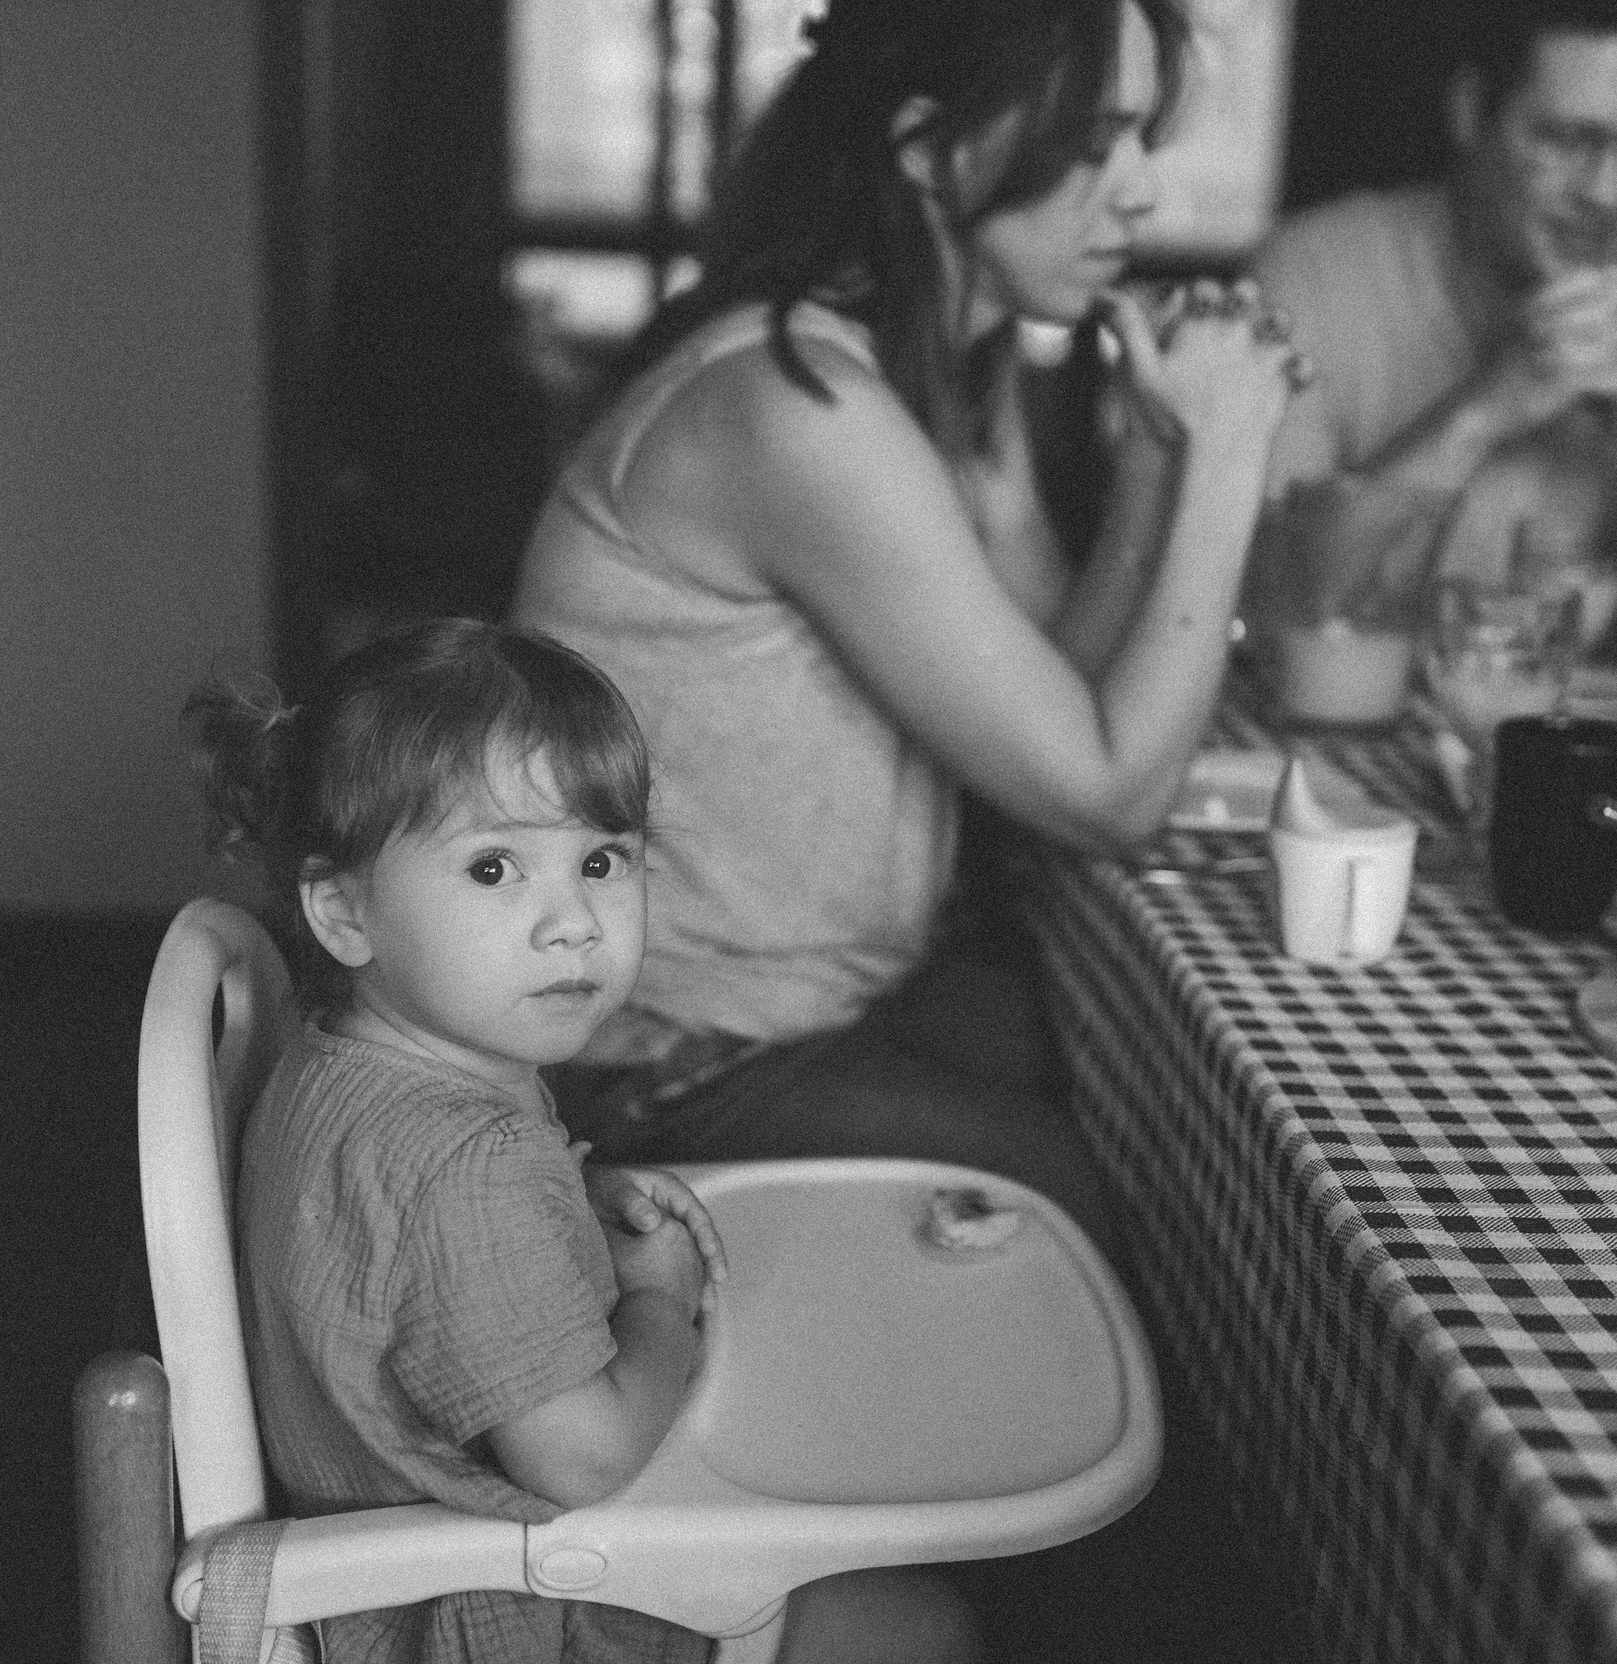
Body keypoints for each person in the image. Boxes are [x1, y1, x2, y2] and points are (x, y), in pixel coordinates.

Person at [510, 0, 1302, 1245]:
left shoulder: (925, 371)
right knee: (1093, 1199)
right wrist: (1229, 458)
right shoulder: (799, 402)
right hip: (654, 1058)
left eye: (1145, 137)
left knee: (1152, 1097)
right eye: (1095, 144)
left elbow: (1053, 705)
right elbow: (1105, 791)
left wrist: (1155, 465)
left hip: (819, 1004)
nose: (1143, 194)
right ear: (931, 149)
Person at [185, 618, 987, 1664]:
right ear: (344, 911)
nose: (572, 923)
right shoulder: (464, 1161)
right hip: (494, 1638)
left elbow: (410, 1272)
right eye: (494, 867)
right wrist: (660, 1304)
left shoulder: (361, 1070)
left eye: (601, 860)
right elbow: (585, 1458)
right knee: (921, 1640)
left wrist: (568, 1209)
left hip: (403, 1592)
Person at [1250, 0, 1617, 645]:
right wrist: (1489, 407)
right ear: (1469, 112)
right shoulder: (1319, 264)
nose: (1606, 192)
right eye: (1566, 140)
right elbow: (1267, 604)